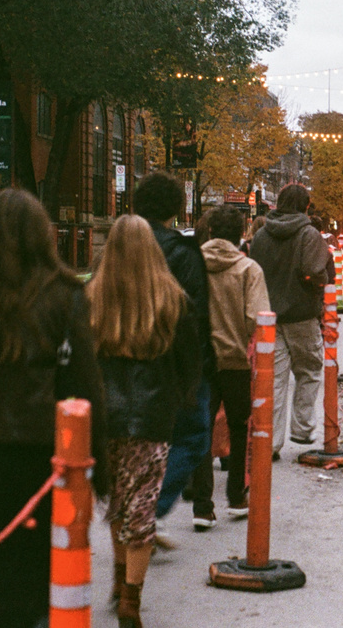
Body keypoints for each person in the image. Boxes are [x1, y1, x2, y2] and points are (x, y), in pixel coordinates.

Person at [0, 188, 105, 628]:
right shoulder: (65, 297)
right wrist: (96, 467)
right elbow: (85, 388)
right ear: (42, 237)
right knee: (35, 576)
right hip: (39, 456)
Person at [87, 215, 201, 627]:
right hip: (153, 417)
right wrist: (183, 400)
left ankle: (118, 580)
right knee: (142, 507)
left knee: (117, 503)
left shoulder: (91, 298)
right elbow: (190, 362)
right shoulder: (172, 299)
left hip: (104, 417)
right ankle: (131, 599)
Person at [133, 171, 214, 546]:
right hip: (171, 362)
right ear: (176, 208)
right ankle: (151, 509)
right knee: (193, 435)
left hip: (124, 359)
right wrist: (198, 370)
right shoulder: (181, 253)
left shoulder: (118, 248)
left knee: (135, 441)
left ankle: (133, 518)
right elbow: (195, 318)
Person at [191, 205, 271, 530]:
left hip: (198, 362)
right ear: (241, 234)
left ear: (209, 232)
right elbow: (257, 317)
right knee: (240, 429)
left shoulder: (191, 265)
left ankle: (201, 506)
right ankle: (236, 495)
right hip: (235, 361)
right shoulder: (249, 269)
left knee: (201, 430)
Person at [249, 184, 332, 457]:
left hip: (268, 316)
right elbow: (314, 269)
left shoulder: (261, 235)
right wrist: (319, 284)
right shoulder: (309, 234)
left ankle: (270, 442)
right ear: (306, 206)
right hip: (301, 314)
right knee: (309, 370)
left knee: (275, 378)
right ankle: (302, 428)